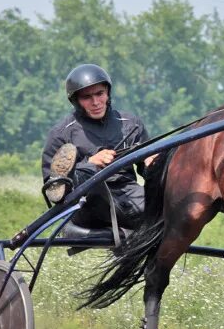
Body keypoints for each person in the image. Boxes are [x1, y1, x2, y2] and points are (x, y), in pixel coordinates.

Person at [42, 64, 155, 233]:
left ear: (108, 93)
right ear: (76, 100)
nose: (95, 102)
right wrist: (91, 164)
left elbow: (149, 173)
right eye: (87, 97)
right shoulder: (61, 134)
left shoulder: (131, 124)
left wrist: (152, 164)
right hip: (85, 203)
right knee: (99, 191)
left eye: (99, 94)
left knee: (167, 202)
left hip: (129, 193)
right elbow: (53, 188)